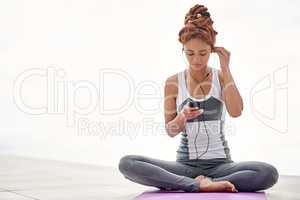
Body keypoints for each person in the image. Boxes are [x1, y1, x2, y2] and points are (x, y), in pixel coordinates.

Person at [118, 4, 278, 192]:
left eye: (203, 53)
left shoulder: (221, 77)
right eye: (190, 53)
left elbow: (236, 112)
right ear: (183, 50)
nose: (196, 60)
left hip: (221, 166)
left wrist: (226, 68)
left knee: (268, 173)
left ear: (211, 49)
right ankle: (196, 185)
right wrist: (182, 117)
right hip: (184, 167)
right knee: (127, 163)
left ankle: (205, 182)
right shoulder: (173, 83)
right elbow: (170, 130)